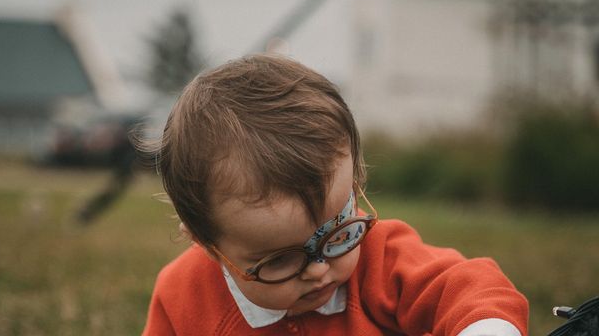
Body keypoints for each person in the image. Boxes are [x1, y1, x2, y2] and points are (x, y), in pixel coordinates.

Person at [142, 54, 528, 336]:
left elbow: (468, 286)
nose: (318, 269)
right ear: (207, 245)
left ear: (354, 187)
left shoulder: (380, 256)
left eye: (337, 233)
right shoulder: (182, 299)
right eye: (279, 261)